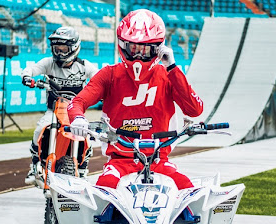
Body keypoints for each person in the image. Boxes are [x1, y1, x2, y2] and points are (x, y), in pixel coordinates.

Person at [68, 9, 204, 190]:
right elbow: (77, 102)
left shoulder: (168, 75)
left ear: (158, 48)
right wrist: (78, 118)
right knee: (104, 192)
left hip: (159, 161)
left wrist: (172, 67)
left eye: (146, 49)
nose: (139, 56)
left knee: (187, 191)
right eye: (133, 48)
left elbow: (195, 109)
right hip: (120, 162)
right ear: (123, 45)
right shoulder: (109, 75)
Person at [21, 26, 99, 184]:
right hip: (53, 111)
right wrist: (26, 76)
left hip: (75, 113)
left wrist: (104, 91)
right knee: (39, 131)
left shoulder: (84, 66)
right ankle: (35, 165)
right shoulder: (49, 63)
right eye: (56, 48)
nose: (59, 53)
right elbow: (32, 68)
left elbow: (99, 78)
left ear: (74, 47)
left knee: (87, 138)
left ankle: (82, 168)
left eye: (63, 48)